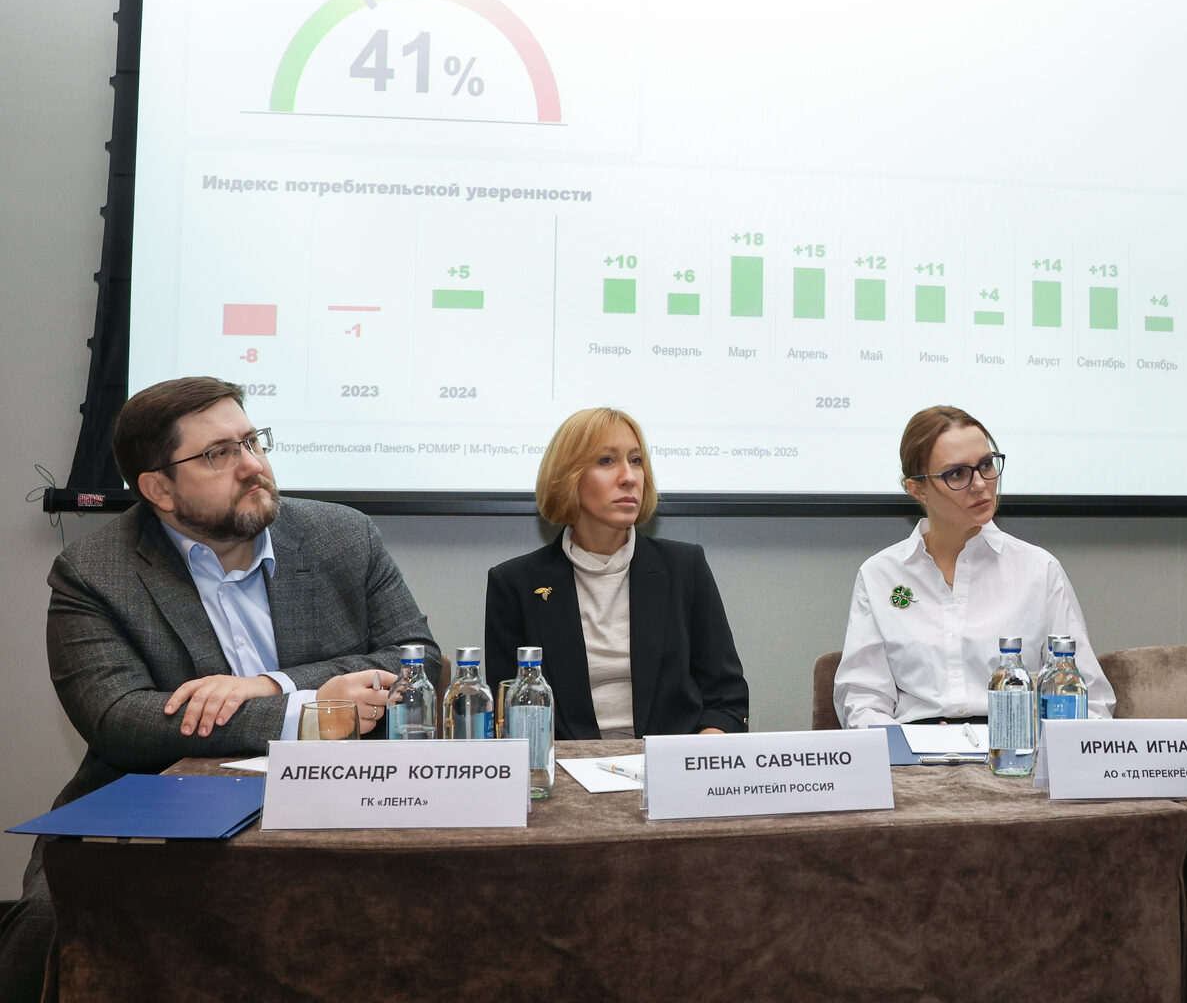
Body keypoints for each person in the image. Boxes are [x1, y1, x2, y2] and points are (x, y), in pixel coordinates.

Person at [0, 376, 439, 1003]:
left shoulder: (342, 534)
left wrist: (269, 686)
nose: (252, 465)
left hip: (344, 792)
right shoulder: (94, 572)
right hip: (158, 800)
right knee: (48, 926)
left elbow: (419, 660)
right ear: (158, 489)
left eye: (252, 442)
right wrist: (309, 713)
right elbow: (119, 719)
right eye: (217, 454)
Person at [833, 405, 1115, 727]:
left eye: (986, 465)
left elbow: (1089, 699)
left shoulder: (1039, 569)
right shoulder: (880, 575)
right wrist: (902, 747)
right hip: (914, 748)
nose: (980, 484)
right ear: (917, 489)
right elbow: (862, 700)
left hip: (1014, 744)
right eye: (957, 474)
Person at [483, 408, 748, 739]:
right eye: (607, 461)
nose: (629, 477)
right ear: (568, 477)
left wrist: (699, 751)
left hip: (668, 761)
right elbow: (509, 715)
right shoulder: (515, 583)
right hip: (562, 765)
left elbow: (727, 699)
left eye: (636, 461)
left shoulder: (684, 568)